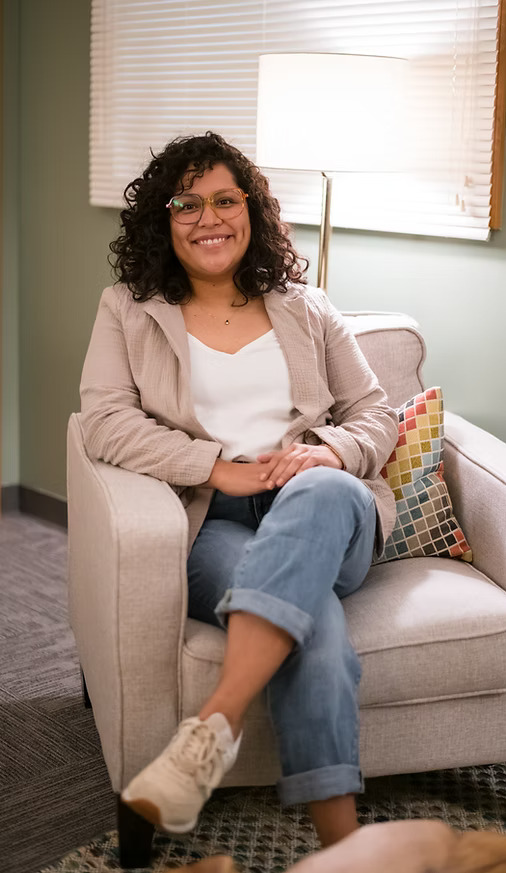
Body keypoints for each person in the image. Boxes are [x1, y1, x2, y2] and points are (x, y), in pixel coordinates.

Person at [80, 130, 399, 848]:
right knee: (309, 627)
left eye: (226, 199)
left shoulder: (306, 306)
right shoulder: (128, 308)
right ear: (162, 220)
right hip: (214, 521)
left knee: (322, 492)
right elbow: (101, 421)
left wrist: (326, 452)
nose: (208, 218)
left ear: (251, 210)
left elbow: (374, 412)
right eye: (186, 203)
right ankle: (343, 848)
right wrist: (213, 465)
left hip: (323, 508)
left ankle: (211, 724)